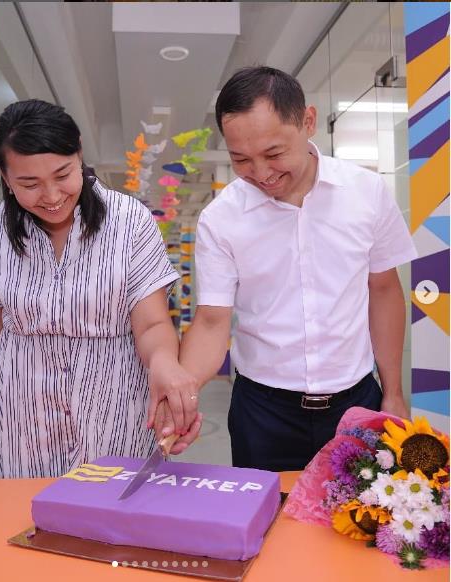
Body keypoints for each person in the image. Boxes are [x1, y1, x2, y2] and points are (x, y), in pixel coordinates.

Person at [178, 66, 417, 472]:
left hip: (356, 403)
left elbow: (383, 290)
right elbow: (212, 321)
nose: (261, 173)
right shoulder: (221, 219)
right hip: (262, 412)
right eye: (241, 160)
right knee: (268, 511)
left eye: (274, 154)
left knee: (358, 509)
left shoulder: (366, 193)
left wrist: (392, 391)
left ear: (308, 121)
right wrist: (183, 393)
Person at [0, 99, 199, 478]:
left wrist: (165, 363)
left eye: (62, 174)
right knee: (19, 512)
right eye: (30, 184)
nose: (51, 196)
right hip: (19, 422)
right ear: (5, 177)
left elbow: (151, 324)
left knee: (110, 509)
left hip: (114, 413)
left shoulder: (130, 221)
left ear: (79, 154)